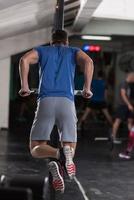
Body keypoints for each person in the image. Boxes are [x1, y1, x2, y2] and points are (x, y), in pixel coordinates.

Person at [19, 30, 94, 193]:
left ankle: (57, 154)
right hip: (66, 103)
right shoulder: (73, 51)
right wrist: (87, 88)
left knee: (35, 148)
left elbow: (24, 60)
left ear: (51, 41)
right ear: (66, 42)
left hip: (45, 102)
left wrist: (24, 86)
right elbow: (88, 62)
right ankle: (64, 154)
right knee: (70, 147)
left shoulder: (42, 50)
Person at [111, 72, 134, 144]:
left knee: (130, 122)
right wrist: (129, 104)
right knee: (118, 121)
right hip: (122, 105)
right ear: (131, 77)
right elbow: (123, 95)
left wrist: (130, 104)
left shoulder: (129, 85)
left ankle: (132, 138)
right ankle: (113, 138)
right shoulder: (124, 84)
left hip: (128, 106)